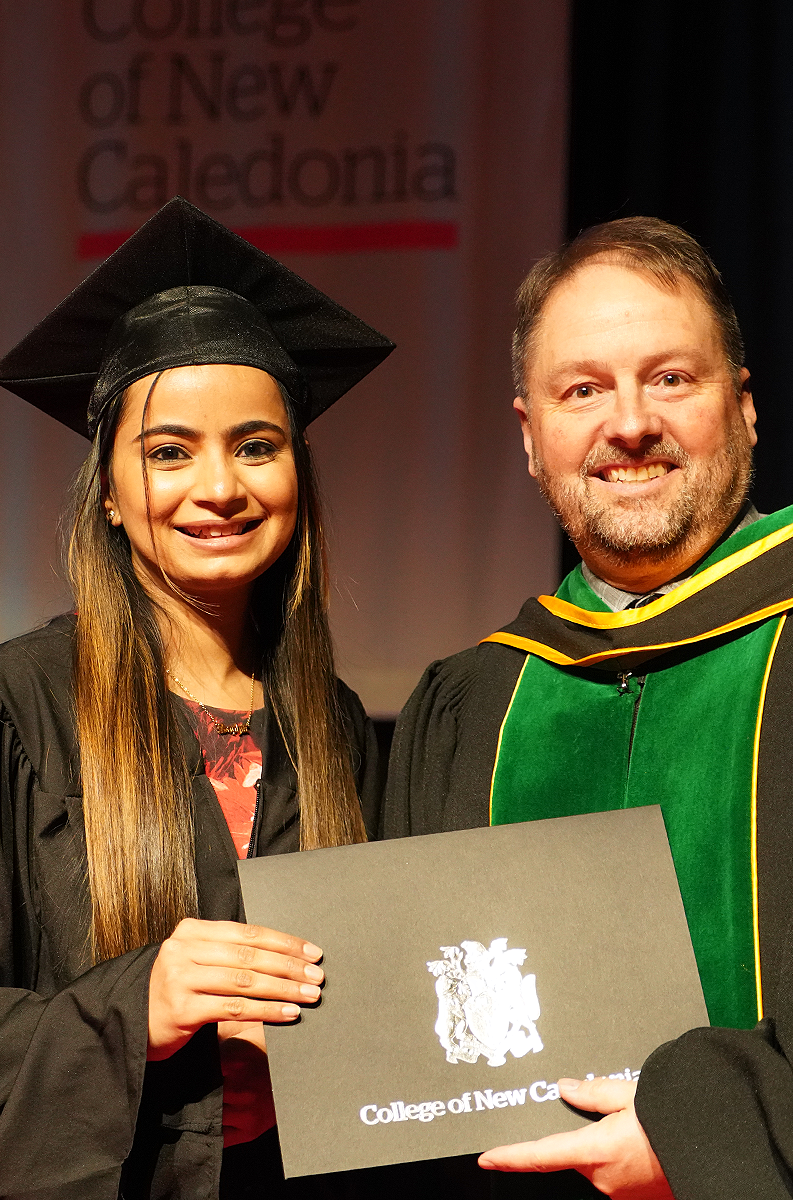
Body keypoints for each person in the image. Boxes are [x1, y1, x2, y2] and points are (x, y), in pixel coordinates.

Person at [384, 216, 793, 1199]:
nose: (629, 424)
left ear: (743, 409)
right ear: (531, 438)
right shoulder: (471, 704)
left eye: (670, 378)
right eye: (582, 390)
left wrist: (707, 1135)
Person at [0, 197, 394, 1198]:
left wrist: (307, 1082)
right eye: (168, 452)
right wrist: (133, 1012)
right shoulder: (17, 707)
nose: (218, 487)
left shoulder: (337, 730)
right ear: (109, 493)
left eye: (256, 446)